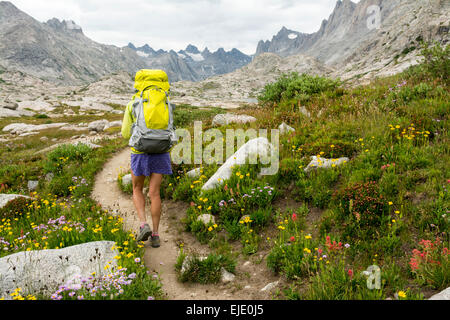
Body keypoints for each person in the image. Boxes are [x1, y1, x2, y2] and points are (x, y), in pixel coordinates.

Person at [121, 72, 173, 248]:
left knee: (137, 188)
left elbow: (125, 133)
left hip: (139, 151)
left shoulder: (133, 103)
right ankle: (156, 235)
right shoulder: (166, 102)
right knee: (155, 193)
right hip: (161, 151)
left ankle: (143, 225)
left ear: (139, 83)